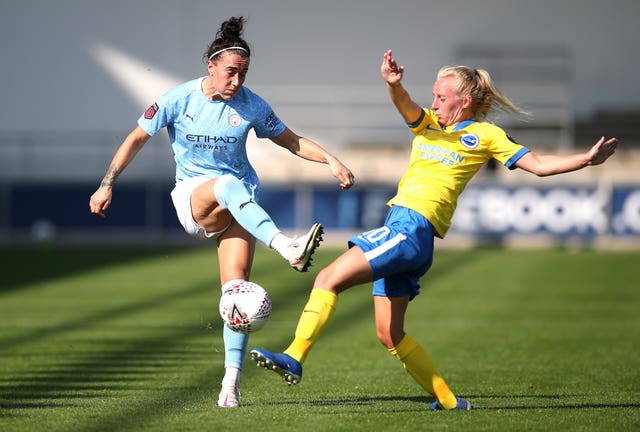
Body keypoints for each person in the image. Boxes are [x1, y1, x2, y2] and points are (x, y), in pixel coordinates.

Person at [250, 49, 618, 411]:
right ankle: (450, 400)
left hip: (411, 228)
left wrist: (585, 159)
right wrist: (393, 84)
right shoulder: (427, 123)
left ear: (467, 100)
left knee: (327, 278)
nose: (435, 103)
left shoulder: (486, 135)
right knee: (389, 334)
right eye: (433, 96)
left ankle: (294, 356)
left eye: (441, 97)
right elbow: (405, 103)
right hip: (410, 236)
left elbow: (537, 164)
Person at [89, 17, 354, 409]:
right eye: (231, 72)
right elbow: (136, 138)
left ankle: (230, 383)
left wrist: (331, 160)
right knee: (228, 184)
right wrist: (107, 182)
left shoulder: (251, 105)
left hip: (239, 208)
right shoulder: (178, 99)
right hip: (194, 200)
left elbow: (291, 140)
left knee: (238, 296)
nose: (237, 81)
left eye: (243, 73)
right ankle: (286, 247)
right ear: (210, 67)